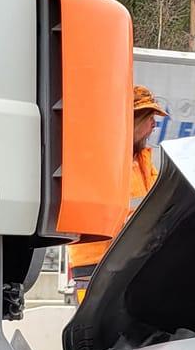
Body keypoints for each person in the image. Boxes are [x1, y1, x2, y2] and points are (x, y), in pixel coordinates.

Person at [67, 86, 169, 301]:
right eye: (150, 118)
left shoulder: (141, 160)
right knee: (97, 331)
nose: (153, 126)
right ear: (134, 120)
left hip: (125, 261)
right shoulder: (104, 159)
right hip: (97, 263)